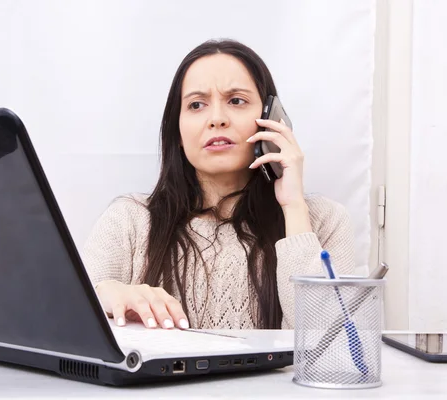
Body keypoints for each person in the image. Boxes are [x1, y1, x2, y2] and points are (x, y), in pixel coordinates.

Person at [82, 38, 355, 331]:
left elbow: (328, 346)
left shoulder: (324, 221)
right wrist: (105, 294)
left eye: (236, 101)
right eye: (196, 105)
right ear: (177, 130)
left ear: (271, 120)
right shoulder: (128, 220)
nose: (216, 119)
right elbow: (70, 325)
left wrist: (294, 207)